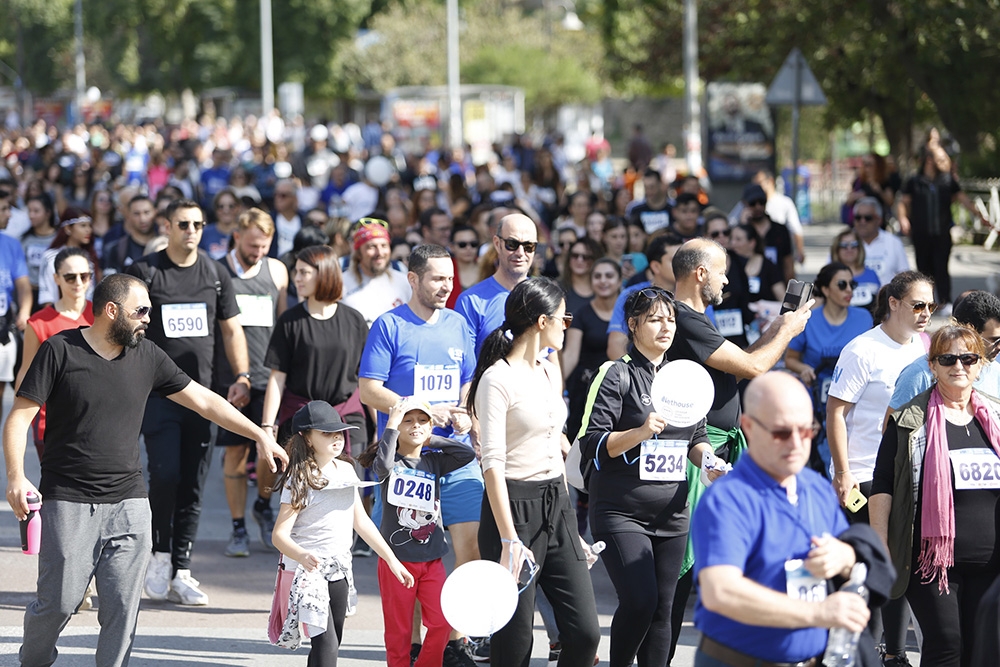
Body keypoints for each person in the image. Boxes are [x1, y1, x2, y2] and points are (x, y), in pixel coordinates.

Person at [3, 273, 286, 667]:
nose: (148, 318)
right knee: (59, 602)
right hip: (69, 500)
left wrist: (260, 434)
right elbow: (19, 418)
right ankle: (33, 660)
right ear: (112, 311)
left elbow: (204, 401)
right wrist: (16, 477)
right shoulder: (59, 350)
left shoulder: (147, 355)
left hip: (131, 502)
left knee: (122, 606)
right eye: (142, 311)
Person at [665, 238, 815, 659]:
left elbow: (742, 360)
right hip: (699, 452)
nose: (728, 279)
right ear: (700, 274)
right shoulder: (684, 317)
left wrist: (776, 326)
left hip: (721, 450)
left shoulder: (697, 317)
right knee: (685, 563)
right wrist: (788, 330)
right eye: (722, 270)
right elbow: (755, 366)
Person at [692, 372, 890, 667]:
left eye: (806, 430)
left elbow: (846, 558)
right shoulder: (727, 499)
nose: (796, 443)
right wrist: (818, 614)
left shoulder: (817, 488)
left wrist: (846, 556)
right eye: (782, 432)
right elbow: (721, 592)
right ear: (749, 427)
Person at [578, 287, 721, 667]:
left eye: (670, 319)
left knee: (663, 609)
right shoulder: (616, 374)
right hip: (620, 512)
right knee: (640, 601)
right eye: (655, 319)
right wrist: (640, 432)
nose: (666, 326)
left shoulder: (686, 377)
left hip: (672, 514)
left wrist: (709, 462)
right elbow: (592, 443)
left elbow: (698, 437)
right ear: (633, 324)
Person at [357, 243, 483, 662]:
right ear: (413, 279)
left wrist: (464, 410)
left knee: (467, 547)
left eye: (449, 278)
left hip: (456, 454)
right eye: (436, 278)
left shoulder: (460, 325)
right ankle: (412, 646)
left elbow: (467, 379)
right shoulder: (389, 326)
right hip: (406, 464)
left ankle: (457, 640)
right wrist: (422, 410)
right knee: (408, 556)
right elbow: (369, 389)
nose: (446, 286)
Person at [468, 277, 602, 667]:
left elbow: (551, 443)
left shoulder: (548, 369)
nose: (568, 325)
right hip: (510, 510)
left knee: (585, 633)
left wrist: (571, 525)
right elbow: (491, 463)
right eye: (564, 318)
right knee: (514, 640)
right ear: (543, 321)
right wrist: (509, 541)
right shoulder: (496, 379)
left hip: (556, 503)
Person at [126, 198, 254, 606]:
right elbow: (127, 329)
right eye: (183, 224)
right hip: (160, 395)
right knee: (165, 475)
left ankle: (182, 567)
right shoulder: (147, 272)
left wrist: (242, 376)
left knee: (195, 484)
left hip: (204, 398)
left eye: (198, 224)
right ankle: (159, 555)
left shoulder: (215, 273)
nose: (192, 231)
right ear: (167, 226)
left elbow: (232, 330)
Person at [871, 325, 1000, 667]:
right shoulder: (910, 419)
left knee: (985, 651)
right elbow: (882, 481)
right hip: (932, 560)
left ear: (981, 364)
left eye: (969, 358)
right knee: (947, 644)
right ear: (932, 365)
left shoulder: (997, 415)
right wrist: (881, 542)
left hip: (992, 562)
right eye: (948, 359)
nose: (959, 366)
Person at [827, 270, 935, 666]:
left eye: (931, 306)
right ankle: (866, 652)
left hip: (909, 474)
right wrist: (843, 473)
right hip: (864, 474)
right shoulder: (862, 350)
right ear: (893, 303)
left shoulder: (924, 347)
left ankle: (894, 653)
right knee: (873, 568)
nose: (926, 314)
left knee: (900, 566)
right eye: (917, 305)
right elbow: (836, 413)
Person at [270, 400, 413, 666]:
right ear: (307, 438)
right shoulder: (300, 477)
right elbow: (279, 534)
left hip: (340, 568)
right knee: (327, 642)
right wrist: (301, 555)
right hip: (308, 573)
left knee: (333, 637)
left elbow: (361, 522)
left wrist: (392, 560)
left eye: (339, 432)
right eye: (327, 433)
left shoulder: (347, 469)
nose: (337, 438)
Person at [357, 398, 476, 667]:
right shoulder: (388, 461)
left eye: (422, 421)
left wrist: (431, 440)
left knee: (442, 623)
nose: (415, 426)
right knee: (399, 633)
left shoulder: (434, 461)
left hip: (432, 560)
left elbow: (465, 455)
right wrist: (392, 426)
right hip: (397, 562)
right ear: (397, 427)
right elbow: (383, 467)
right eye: (408, 420)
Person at [215, 208, 289, 557]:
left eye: (264, 246)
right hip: (230, 378)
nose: (258, 252)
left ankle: (262, 503)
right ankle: (237, 526)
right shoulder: (219, 270)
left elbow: (284, 322)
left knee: (269, 451)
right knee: (234, 451)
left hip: (269, 375)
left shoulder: (276, 271)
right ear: (237, 236)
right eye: (253, 245)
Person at [262, 244, 369, 453]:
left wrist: (381, 428)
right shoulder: (289, 321)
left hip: (347, 421)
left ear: (325, 274)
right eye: (296, 272)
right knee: (301, 486)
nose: (297, 278)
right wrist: (267, 427)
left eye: (304, 272)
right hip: (301, 423)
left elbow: (366, 377)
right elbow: (277, 378)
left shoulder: (354, 321)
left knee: (348, 484)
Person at [784, 262, 874, 472]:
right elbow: (791, 359)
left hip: (855, 398)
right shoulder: (809, 320)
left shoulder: (864, 318)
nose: (849, 290)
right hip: (816, 399)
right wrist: (803, 368)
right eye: (842, 284)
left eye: (853, 284)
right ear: (825, 289)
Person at [14, 247, 96, 460]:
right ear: (56, 279)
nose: (78, 282)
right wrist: (19, 420)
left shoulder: (102, 315)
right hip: (50, 423)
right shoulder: (39, 323)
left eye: (84, 276)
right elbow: (25, 373)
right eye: (70, 277)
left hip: (97, 420)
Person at [898, 146, 986, 311]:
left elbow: (963, 199)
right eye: (941, 160)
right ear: (929, 160)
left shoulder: (947, 180)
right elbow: (903, 202)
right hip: (921, 233)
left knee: (941, 267)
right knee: (923, 268)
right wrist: (903, 218)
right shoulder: (914, 181)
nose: (945, 163)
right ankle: (925, 302)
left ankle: (945, 301)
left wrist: (980, 216)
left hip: (942, 233)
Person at [889, 290, 1000, 414]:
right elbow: (894, 429)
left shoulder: (995, 371)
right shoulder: (919, 375)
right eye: (994, 340)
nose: (999, 347)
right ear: (969, 334)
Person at [454, 213, 537, 356]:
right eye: (512, 244)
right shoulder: (470, 301)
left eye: (529, 246)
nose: (520, 253)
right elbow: (465, 366)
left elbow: (551, 359)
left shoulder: (544, 297)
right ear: (497, 244)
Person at [563, 258, 621, 444]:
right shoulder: (581, 314)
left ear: (620, 281)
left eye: (609, 276)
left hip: (619, 387)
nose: (603, 281)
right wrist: (556, 382)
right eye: (597, 276)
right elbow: (571, 354)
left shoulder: (629, 312)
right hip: (585, 389)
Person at [606, 234, 685, 360]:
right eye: (674, 260)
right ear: (655, 266)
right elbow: (615, 345)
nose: (682, 265)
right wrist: (637, 375)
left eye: (683, 259)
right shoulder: (631, 295)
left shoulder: (696, 295)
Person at [341, 218, 412, 327]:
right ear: (359, 252)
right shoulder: (342, 284)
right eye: (372, 246)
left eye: (384, 246)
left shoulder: (403, 282)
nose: (379, 252)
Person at [36, 208, 100, 307]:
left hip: (87, 316)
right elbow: (47, 296)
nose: (88, 230)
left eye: (89, 226)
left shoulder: (90, 257)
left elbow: (91, 292)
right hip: (58, 315)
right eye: (83, 225)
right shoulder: (50, 258)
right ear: (68, 229)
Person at [742, 183, 795, 283]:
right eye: (753, 203)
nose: (758, 207)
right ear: (745, 204)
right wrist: (744, 225)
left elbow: (788, 263)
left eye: (761, 202)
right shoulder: (741, 231)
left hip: (777, 286)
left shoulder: (780, 230)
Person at [852, 197, 909, 288]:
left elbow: (905, 277)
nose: (862, 222)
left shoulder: (893, 243)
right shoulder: (844, 243)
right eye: (858, 218)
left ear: (879, 220)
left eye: (868, 218)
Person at [103, 194, 158, 275]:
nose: (142, 219)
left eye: (147, 212)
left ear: (155, 213)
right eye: (136, 213)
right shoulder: (117, 250)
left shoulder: (167, 245)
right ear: (128, 216)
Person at [22, 194, 59, 310]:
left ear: (48, 213)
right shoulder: (25, 239)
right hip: (29, 295)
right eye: (29, 211)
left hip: (53, 295)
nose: (31, 215)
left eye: (36, 211)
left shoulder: (59, 238)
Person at [830, 228, 881, 312]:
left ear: (859, 248)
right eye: (844, 245)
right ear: (837, 249)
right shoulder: (829, 275)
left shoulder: (872, 274)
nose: (849, 249)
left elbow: (880, 307)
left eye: (854, 244)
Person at [561, 237, 600, 316]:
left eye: (585, 257)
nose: (579, 260)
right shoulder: (557, 288)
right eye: (575, 255)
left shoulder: (603, 288)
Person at [629, 168, 672, 234]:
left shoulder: (673, 207)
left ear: (660, 185)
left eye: (652, 187)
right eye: (646, 187)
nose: (649, 191)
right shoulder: (635, 209)